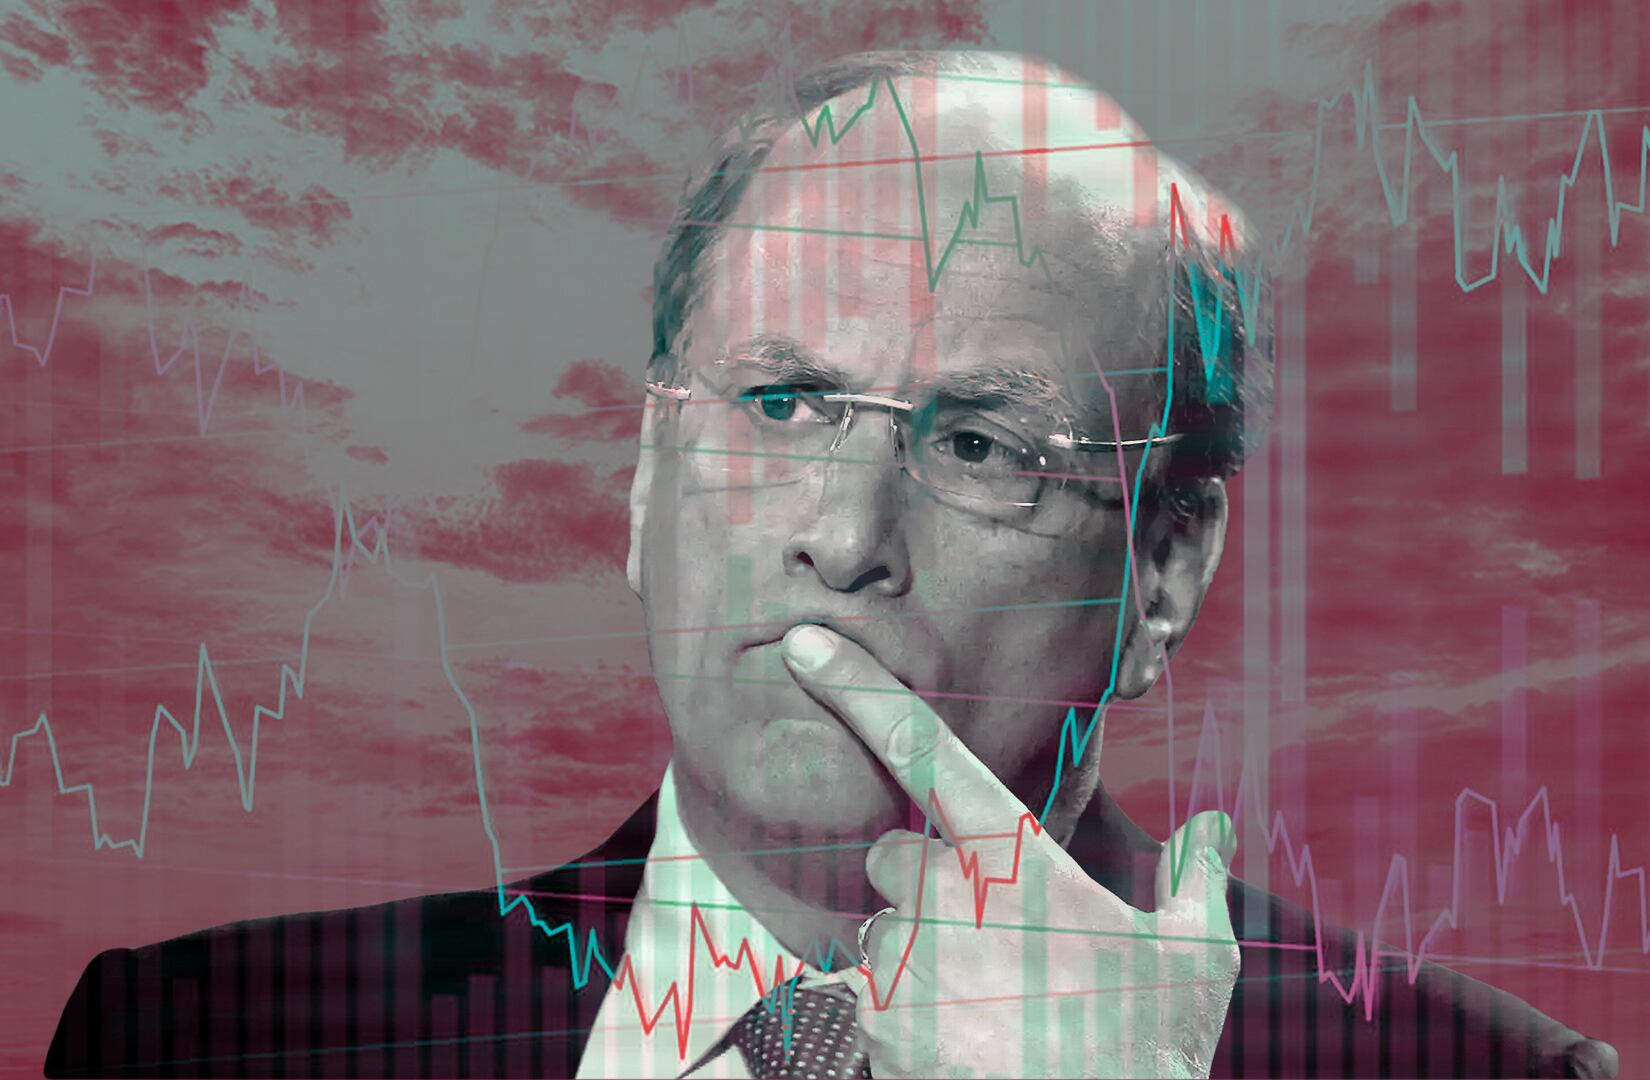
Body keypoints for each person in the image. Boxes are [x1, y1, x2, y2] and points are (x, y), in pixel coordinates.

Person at [45, 50, 1618, 1079]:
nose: (845, 537)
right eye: (780, 403)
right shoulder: (202, 1040)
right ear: (645, 478)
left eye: (979, 445)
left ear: (1161, 575)